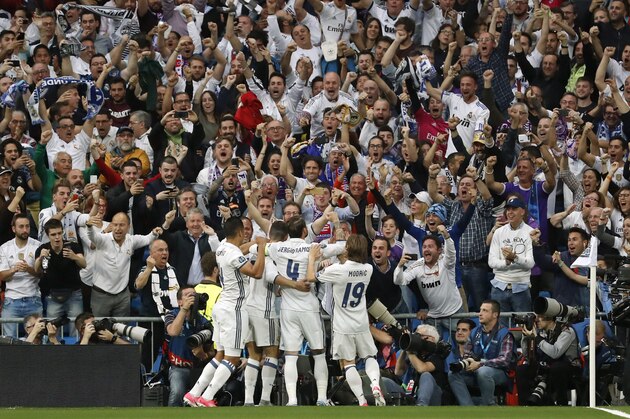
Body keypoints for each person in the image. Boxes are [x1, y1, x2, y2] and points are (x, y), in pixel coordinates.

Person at [185, 218, 266, 408]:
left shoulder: (222, 247)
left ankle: (193, 394)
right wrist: (261, 248)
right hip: (234, 309)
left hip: (222, 307)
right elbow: (256, 272)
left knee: (219, 355)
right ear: (241, 233)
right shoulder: (231, 253)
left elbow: (241, 250)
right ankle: (207, 396)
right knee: (233, 357)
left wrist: (255, 243)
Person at [306, 234, 386, 406]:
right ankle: (375, 384)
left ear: (347, 249)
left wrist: (312, 257)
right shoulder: (368, 269)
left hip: (343, 325)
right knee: (370, 356)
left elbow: (311, 277)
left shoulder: (337, 270)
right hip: (361, 322)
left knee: (348, 363)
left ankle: (362, 400)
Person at [85, 212, 161, 317]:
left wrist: (154, 233)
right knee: (100, 330)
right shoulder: (103, 239)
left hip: (122, 295)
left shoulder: (131, 240)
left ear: (128, 227)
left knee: (121, 330)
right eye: (115, 225)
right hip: (101, 295)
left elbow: (147, 239)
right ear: (111, 225)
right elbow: (92, 236)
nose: (118, 228)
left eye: (121, 225)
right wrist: (89, 226)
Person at [393, 226, 462, 334]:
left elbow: (451, 253)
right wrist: (400, 267)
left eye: (430, 246)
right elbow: (400, 281)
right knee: (431, 347)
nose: (426, 249)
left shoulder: (446, 262)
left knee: (460, 346)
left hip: (453, 312)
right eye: (424, 247)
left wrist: (447, 236)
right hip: (432, 316)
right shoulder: (418, 265)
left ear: (439, 250)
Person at [448, 299, 516, 406]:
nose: (480, 313)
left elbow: (504, 360)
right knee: (453, 373)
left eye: (485, 310)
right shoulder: (475, 332)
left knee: (483, 372)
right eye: (480, 310)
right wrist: (468, 361)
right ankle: (469, 408)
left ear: (495, 315)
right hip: (476, 370)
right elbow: (467, 353)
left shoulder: (504, 334)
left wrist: (480, 364)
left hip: (499, 373)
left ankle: (488, 405)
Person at [517, 307, 581, 406]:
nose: (536, 320)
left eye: (540, 317)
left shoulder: (566, 330)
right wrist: (526, 336)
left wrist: (537, 338)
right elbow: (526, 354)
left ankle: (561, 404)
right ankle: (526, 405)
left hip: (568, 369)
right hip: (545, 367)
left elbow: (555, 353)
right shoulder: (539, 331)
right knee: (522, 369)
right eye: (536, 316)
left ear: (550, 317)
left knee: (557, 367)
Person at [34, 219, 86, 338]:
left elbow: (84, 264)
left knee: (77, 329)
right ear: (47, 235)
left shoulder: (72, 246)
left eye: (59, 233)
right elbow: (37, 270)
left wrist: (74, 257)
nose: (57, 237)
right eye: (53, 234)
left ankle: (76, 353)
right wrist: (40, 258)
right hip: (53, 295)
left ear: (62, 232)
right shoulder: (43, 248)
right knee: (52, 330)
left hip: (74, 294)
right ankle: (54, 355)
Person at [164, 286, 213, 407]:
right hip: (177, 367)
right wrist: (184, 309)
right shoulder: (171, 314)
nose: (192, 297)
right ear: (179, 301)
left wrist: (203, 355)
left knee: (200, 399)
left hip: (198, 369)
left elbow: (212, 352)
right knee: (177, 392)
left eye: (194, 295)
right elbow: (173, 332)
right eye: (188, 295)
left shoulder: (203, 321)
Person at [487, 196, 535, 312]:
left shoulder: (530, 232)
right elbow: (491, 262)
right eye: (508, 209)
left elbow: (530, 263)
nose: (510, 212)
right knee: (500, 328)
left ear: (522, 211)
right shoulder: (498, 232)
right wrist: (506, 262)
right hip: (499, 286)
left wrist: (515, 258)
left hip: (521, 287)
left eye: (514, 209)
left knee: (522, 327)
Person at [0, 213, 42, 337]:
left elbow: (41, 274)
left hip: (33, 298)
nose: (25, 230)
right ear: (14, 228)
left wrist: (29, 269)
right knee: (9, 340)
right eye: (21, 226)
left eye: (27, 226)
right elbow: (2, 276)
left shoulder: (38, 246)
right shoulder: (4, 248)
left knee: (38, 338)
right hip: (11, 300)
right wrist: (14, 270)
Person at [394, 324, 446, 406]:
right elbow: (398, 372)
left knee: (426, 375)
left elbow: (422, 368)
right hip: (411, 394)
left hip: (433, 397)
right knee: (385, 381)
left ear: (430, 339)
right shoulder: (414, 354)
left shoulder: (437, 356)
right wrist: (405, 347)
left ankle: (421, 406)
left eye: (418, 335)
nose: (415, 338)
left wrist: (409, 350)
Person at [134, 239, 180, 318]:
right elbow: (138, 285)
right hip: (150, 318)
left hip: (170, 318)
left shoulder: (173, 271)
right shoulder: (145, 270)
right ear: (151, 254)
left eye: (166, 250)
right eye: (160, 250)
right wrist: (149, 268)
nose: (165, 253)